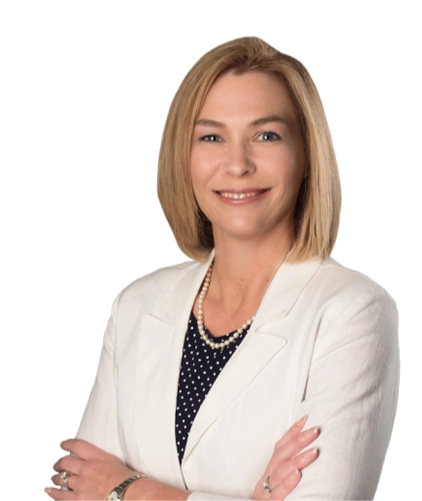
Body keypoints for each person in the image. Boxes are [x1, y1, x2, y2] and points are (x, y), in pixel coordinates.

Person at [46, 37, 399, 500]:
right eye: (211, 137)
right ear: (184, 156)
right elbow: (78, 487)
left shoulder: (353, 312)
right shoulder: (135, 306)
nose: (237, 164)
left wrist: (129, 490)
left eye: (266, 135)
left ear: (307, 155)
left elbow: (102, 489)